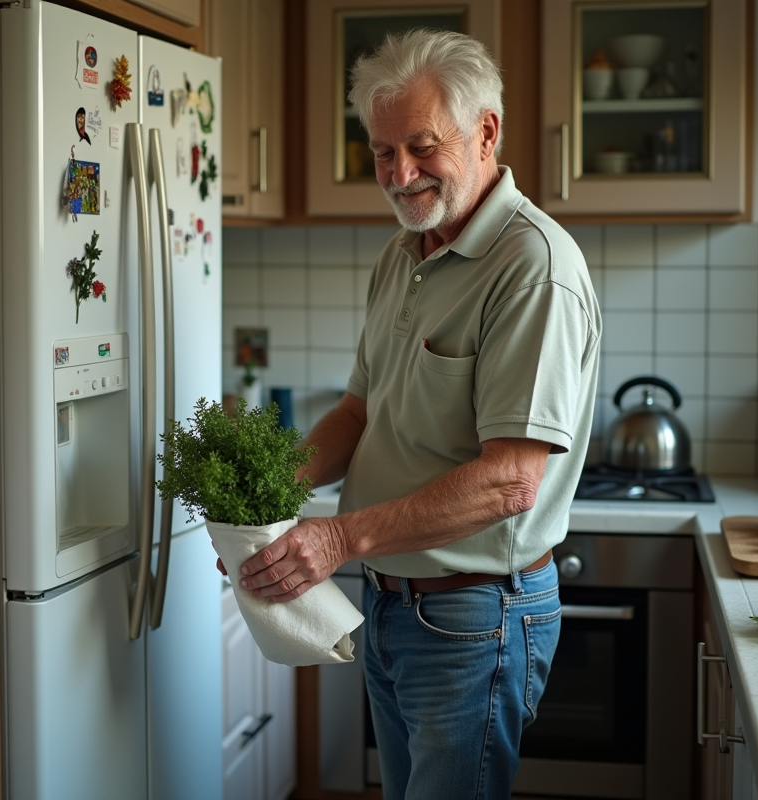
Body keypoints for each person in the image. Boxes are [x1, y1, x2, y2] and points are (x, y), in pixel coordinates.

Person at [234, 28, 601, 800]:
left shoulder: (532, 266)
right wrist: (260, 510)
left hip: (474, 619)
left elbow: (508, 483)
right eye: (381, 152)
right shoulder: (404, 254)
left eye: (422, 146)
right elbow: (359, 413)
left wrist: (334, 537)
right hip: (392, 603)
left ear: (486, 132)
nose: (399, 175)